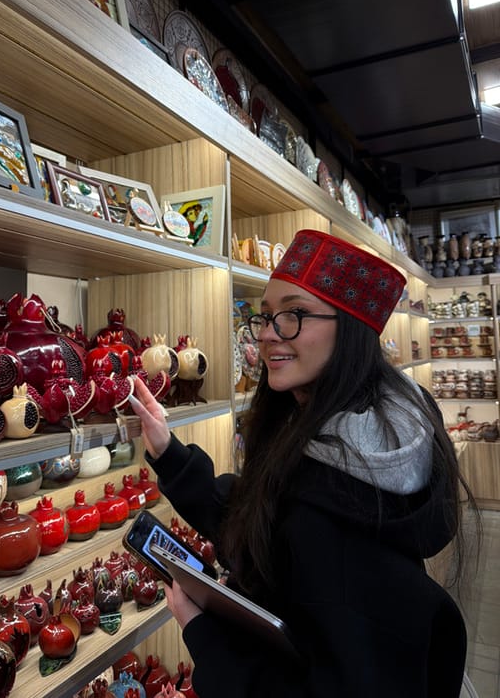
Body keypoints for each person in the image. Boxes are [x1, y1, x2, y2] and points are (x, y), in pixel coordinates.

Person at [129, 228, 478, 698]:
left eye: (294, 315)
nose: (269, 335)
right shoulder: (328, 440)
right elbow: (266, 517)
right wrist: (169, 452)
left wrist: (204, 633)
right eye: (266, 316)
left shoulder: (340, 502)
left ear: (351, 329)